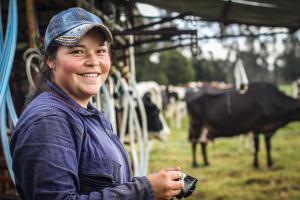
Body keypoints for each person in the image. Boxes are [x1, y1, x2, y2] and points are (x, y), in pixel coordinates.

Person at [10, 7, 184, 200]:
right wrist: (145, 190)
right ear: (51, 60)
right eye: (77, 51)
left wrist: (154, 184)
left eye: (100, 51)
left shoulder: (92, 116)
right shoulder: (49, 120)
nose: (93, 61)